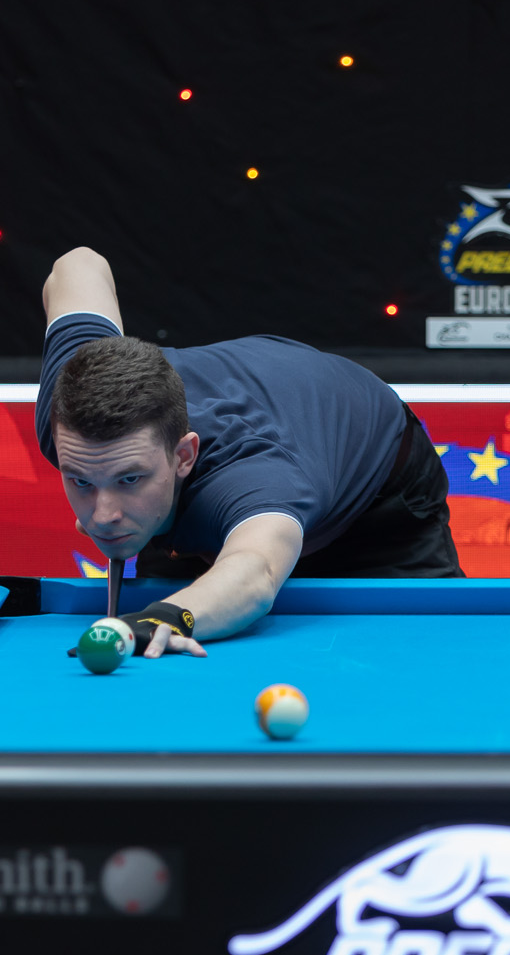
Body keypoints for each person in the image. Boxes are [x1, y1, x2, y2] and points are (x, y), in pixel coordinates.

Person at [38, 246, 462, 659]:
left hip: (373, 497)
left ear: (183, 456)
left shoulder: (254, 477)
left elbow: (255, 572)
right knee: (166, 648)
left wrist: (163, 617)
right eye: (81, 481)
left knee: (423, 652)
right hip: (248, 436)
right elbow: (79, 263)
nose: (103, 514)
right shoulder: (71, 407)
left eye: (129, 479)